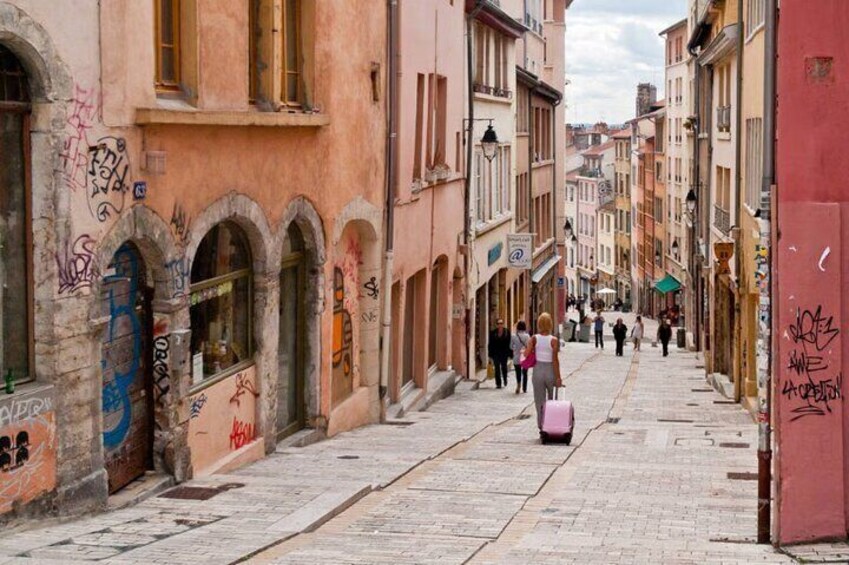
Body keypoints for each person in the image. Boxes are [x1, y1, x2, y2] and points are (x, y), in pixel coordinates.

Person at [526, 313, 561, 435]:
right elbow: (555, 360)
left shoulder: (534, 338)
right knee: (552, 400)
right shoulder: (554, 340)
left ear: (539, 324)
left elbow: (526, 354)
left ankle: (542, 426)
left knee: (539, 400)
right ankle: (551, 423)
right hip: (550, 369)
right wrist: (558, 377)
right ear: (550, 324)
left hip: (538, 370)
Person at [487, 318, 512, 389]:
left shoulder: (507, 332)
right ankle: (498, 383)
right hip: (496, 353)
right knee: (497, 368)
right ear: (496, 325)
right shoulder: (493, 333)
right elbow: (490, 344)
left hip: (504, 353)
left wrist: (510, 354)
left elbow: (509, 344)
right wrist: (490, 354)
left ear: (503, 324)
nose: (500, 325)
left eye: (501, 323)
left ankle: (505, 379)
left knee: (504, 367)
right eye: (498, 323)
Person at [510, 321, 531, 394]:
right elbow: (529, 346)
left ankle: (518, 385)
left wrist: (516, 349)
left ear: (517, 327)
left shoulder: (513, 336)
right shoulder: (527, 336)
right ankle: (524, 388)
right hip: (525, 357)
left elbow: (510, 346)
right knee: (525, 373)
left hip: (516, 356)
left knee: (518, 372)